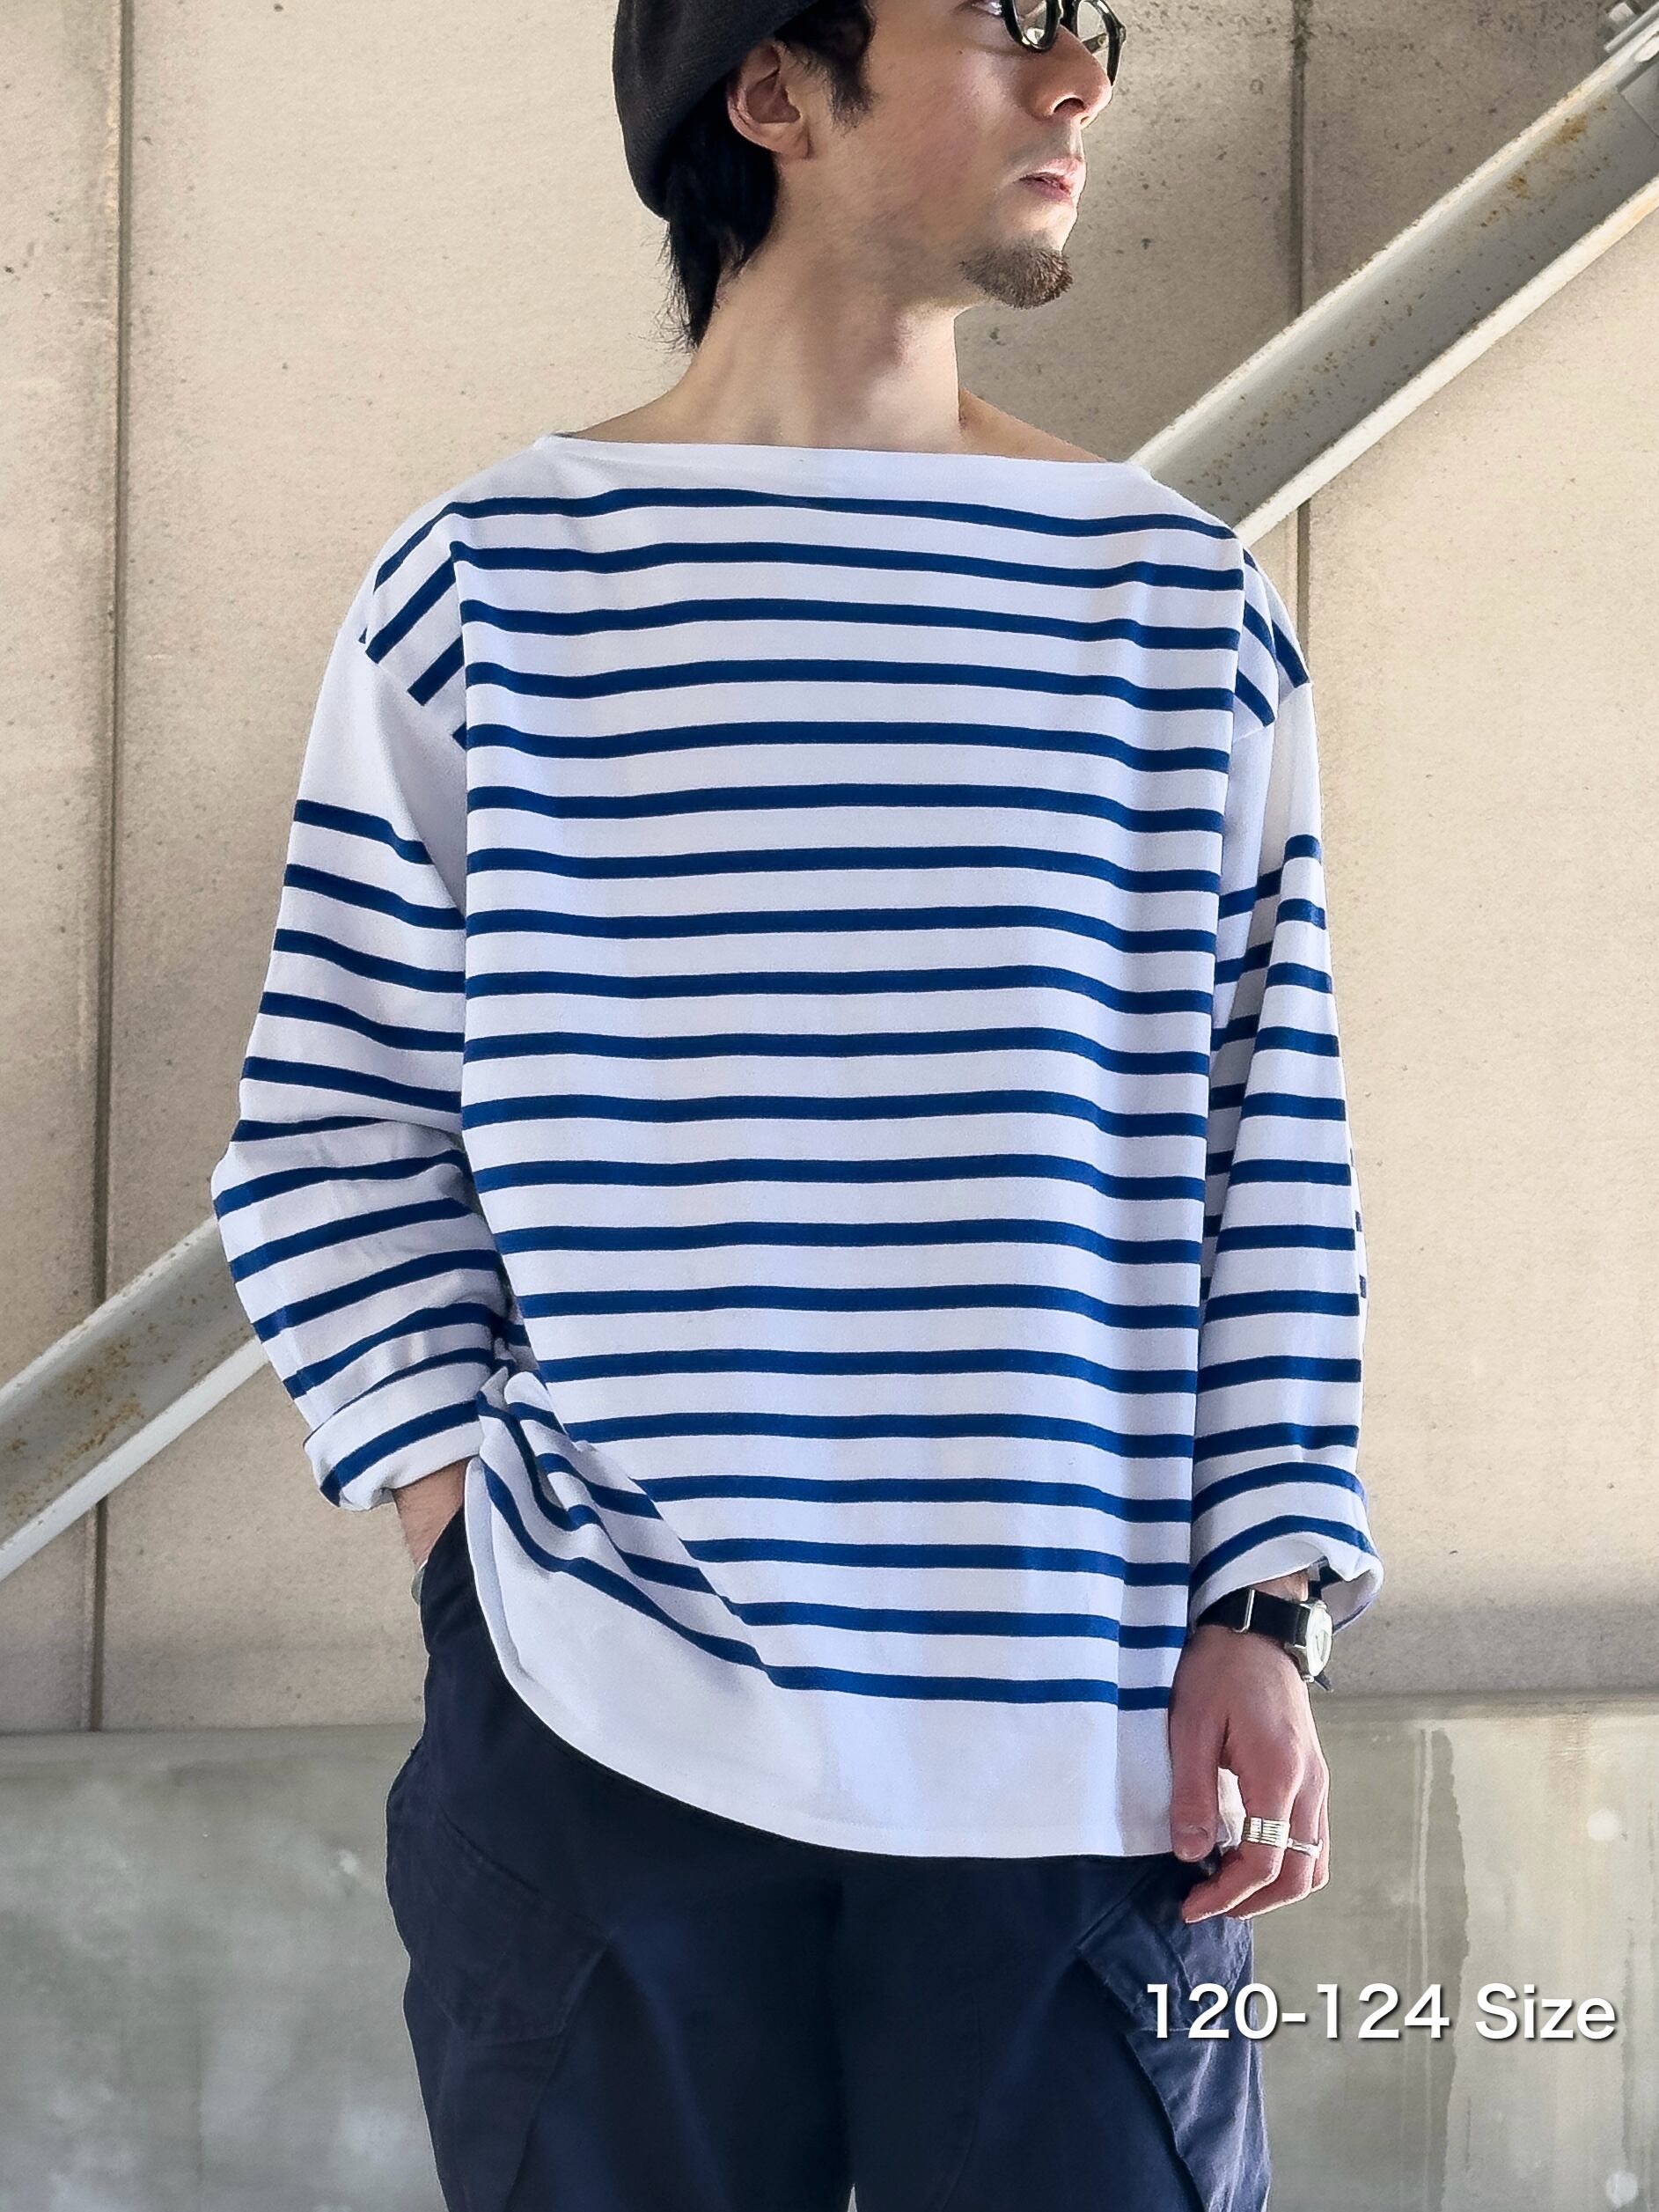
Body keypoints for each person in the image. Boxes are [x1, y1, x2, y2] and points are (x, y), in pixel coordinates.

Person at [209, 1, 1384, 2204]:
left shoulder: (1171, 601)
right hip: (599, 1720)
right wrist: (466, 1545)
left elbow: (1270, 1144)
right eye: (1006, 23)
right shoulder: (492, 583)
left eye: (1090, 30)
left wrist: (1269, 1600)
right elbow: (334, 1129)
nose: (1081, 82)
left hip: (1086, 1755)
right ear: (768, 92)